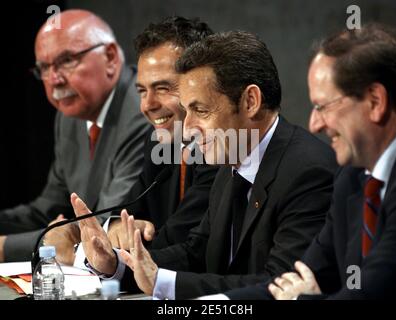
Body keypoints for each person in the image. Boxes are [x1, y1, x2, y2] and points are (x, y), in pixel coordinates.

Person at [72, 30, 338, 299]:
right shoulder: (231, 163)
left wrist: (162, 283)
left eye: (200, 111)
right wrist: (116, 265)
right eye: (186, 112)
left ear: (250, 102)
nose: (187, 130)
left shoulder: (307, 172)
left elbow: (281, 286)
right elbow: (194, 253)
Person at [226, 23, 396, 300]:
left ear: (375, 101)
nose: (314, 124)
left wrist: (303, 299)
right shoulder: (351, 178)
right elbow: (292, 280)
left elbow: (373, 295)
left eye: (322, 107)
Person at [0, 9, 150, 264]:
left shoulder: (143, 110)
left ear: (111, 58)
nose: (54, 80)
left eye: (66, 60)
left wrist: (5, 248)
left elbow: (105, 224)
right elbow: (47, 210)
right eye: (44, 68)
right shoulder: (70, 116)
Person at [75, 16, 218, 260]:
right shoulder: (158, 143)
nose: (148, 105)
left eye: (163, 88)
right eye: (142, 91)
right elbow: (126, 214)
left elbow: (182, 244)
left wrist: (94, 254)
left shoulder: (224, 147)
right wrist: (115, 228)